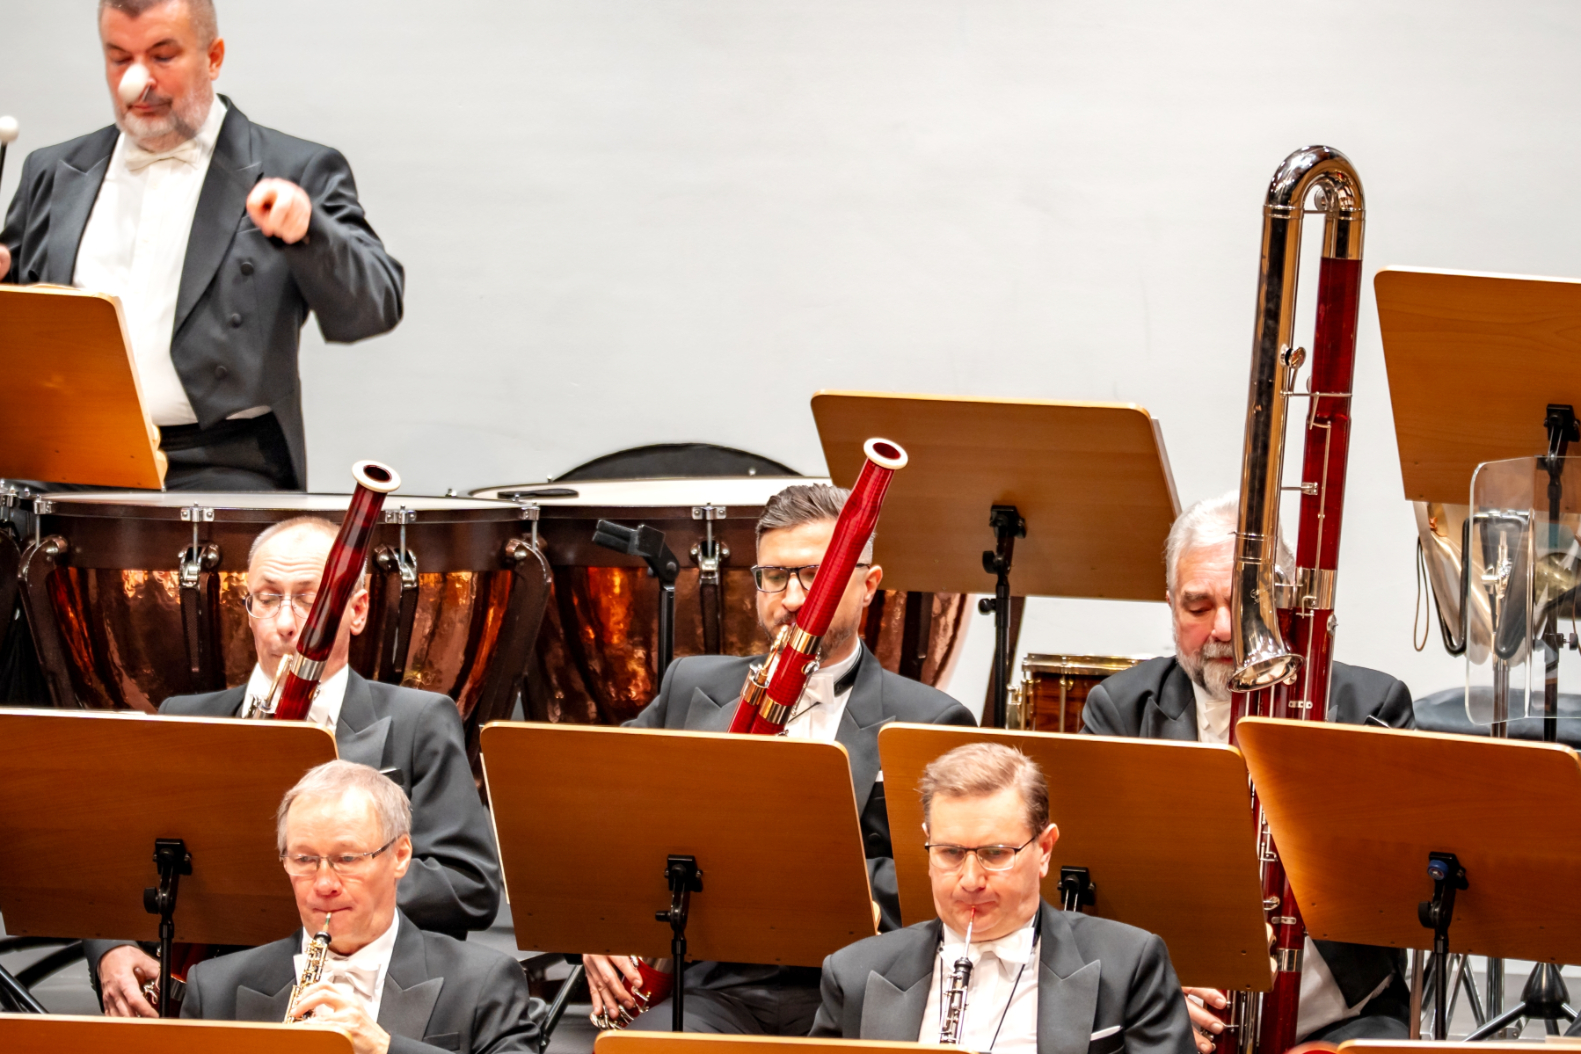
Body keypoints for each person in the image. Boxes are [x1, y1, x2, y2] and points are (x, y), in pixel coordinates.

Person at [583, 483, 977, 1035]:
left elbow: (943, 873)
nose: (792, 598)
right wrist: (598, 923)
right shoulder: (689, 685)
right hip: (711, 985)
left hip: (855, 987)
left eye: (815, 575)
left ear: (868, 585)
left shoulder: (931, 719)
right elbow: (603, 813)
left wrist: (787, 877)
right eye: (774, 576)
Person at [93, 516, 501, 1017]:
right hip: (209, 991)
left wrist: (326, 883)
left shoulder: (419, 721)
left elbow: (468, 884)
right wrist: (111, 948)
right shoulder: (185, 716)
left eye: (309, 599)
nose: (285, 623)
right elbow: (115, 862)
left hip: (361, 994)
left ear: (357, 611)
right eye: (267, 598)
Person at [0, 0, 403, 490]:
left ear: (213, 58)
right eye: (120, 58)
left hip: (226, 467)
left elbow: (375, 308)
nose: (138, 81)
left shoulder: (295, 167)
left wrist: (309, 231)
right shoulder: (52, 172)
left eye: (162, 56)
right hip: (66, 461)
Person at [1080, 492, 1415, 1048]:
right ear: (1170, 606)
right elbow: (1095, 898)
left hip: (1335, 1023)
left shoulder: (1370, 708)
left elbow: (1391, 893)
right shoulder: (1120, 711)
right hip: (1170, 1011)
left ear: (1285, 602)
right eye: (1197, 607)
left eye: (1242, 604)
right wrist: (1156, 996)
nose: (1221, 629)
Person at [811, 742, 1194, 1054]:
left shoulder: (1129, 965)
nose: (970, 880)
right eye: (950, 852)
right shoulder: (852, 975)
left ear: (1044, 850)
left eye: (995, 854)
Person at [181, 760, 538, 1054]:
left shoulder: (482, 982)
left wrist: (385, 1047)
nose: (324, 884)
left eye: (347, 858)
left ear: (400, 855)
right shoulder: (215, 990)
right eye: (304, 859)